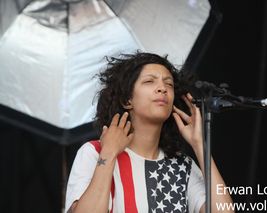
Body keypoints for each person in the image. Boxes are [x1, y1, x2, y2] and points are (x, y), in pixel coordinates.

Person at [64, 52, 234, 213]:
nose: (162, 88)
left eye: (169, 84)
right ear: (127, 99)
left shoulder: (182, 165)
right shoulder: (94, 152)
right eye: (149, 81)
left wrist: (200, 146)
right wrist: (108, 154)